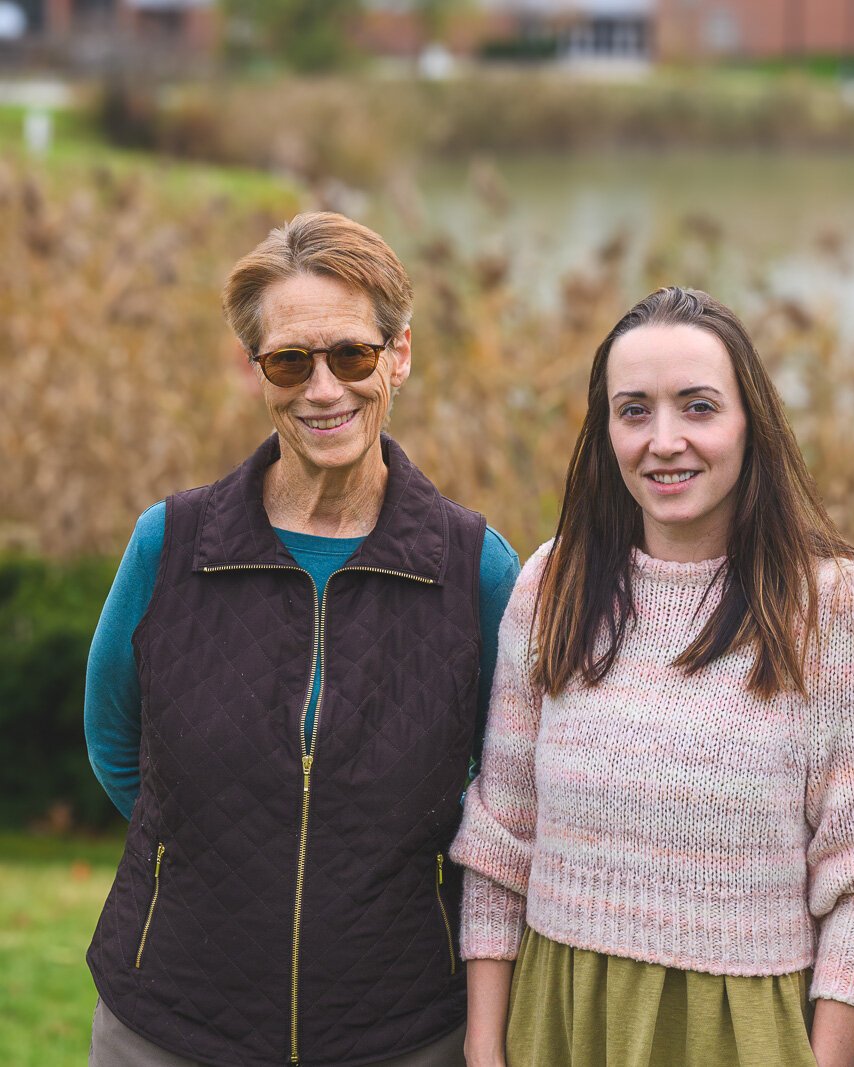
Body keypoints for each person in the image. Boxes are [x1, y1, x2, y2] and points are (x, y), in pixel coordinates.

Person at [449, 286, 854, 1067]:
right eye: (633, 410)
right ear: (605, 429)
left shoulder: (838, 607)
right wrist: (485, 1046)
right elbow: (502, 835)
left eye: (698, 406)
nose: (664, 440)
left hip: (740, 1030)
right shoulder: (554, 583)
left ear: (751, 424)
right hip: (560, 1019)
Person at [83, 211, 521, 1067]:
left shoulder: (476, 567)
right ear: (258, 372)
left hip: (400, 1031)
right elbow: (112, 741)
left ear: (399, 355)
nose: (323, 389)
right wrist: (204, 859)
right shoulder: (168, 545)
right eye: (290, 359)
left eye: (351, 354)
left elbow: (506, 790)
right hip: (167, 1024)